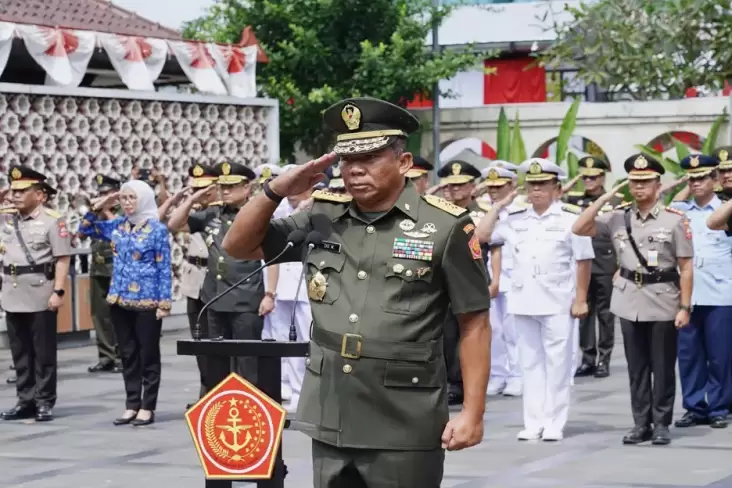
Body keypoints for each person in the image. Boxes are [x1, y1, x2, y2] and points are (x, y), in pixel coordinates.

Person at [221, 97, 491, 487]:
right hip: (332, 404)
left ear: (403, 162)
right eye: (348, 160)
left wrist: (473, 413)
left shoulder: (445, 226)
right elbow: (238, 246)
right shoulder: (323, 215)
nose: (355, 170)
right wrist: (275, 190)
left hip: (403, 413)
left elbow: (475, 321)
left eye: (371, 158)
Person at [572, 153, 693, 446]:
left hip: (664, 298)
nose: (639, 188)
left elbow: (686, 266)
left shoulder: (674, 220)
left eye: (645, 182)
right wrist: (604, 199)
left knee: (662, 367)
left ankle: (662, 422)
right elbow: (579, 228)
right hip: (628, 299)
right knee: (637, 368)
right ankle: (641, 423)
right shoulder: (617, 217)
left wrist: (685, 306)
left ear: (657, 184)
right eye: (634, 182)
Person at [477, 158, 593, 441]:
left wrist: (581, 299)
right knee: (529, 364)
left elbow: (583, 261)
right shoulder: (515, 219)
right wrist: (498, 206)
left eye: (543, 184)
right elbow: (482, 236)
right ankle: (533, 422)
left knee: (558, 363)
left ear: (557, 188)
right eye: (532, 185)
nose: (536, 190)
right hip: (523, 300)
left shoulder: (570, 218)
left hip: (557, 300)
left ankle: (554, 421)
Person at [79, 180, 172, 427]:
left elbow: (164, 268)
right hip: (119, 299)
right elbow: (85, 229)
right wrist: (100, 206)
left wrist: (164, 302)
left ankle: (147, 406)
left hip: (148, 300)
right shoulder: (117, 226)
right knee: (128, 353)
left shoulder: (156, 229)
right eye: (124, 198)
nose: (127, 203)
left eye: (132, 198)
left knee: (148, 354)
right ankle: (132, 404)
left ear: (143, 199)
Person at [167, 162, 268, 388]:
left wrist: (270, 293)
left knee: (247, 360)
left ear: (247, 187)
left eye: (232, 186)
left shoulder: (258, 212)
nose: (226, 191)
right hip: (215, 297)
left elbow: (271, 256)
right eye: (222, 186)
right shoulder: (212, 213)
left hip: (245, 297)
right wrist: (192, 199)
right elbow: (174, 224)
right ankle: (219, 407)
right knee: (217, 360)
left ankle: (247, 407)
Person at [0, 166, 71, 422]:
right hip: (12, 291)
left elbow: (62, 258)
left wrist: (59, 291)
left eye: (23, 191)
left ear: (40, 195)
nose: (16, 196)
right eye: (13, 191)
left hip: (41, 291)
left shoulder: (53, 220)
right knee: (20, 353)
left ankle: (44, 401)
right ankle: (25, 400)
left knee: (43, 353)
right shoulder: (7, 218)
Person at [667, 154, 732, 429]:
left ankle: (719, 406)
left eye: (702, 177)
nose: (696, 183)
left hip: (721, 293)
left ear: (715, 180)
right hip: (688, 296)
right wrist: (681, 184)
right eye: (692, 178)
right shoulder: (681, 212)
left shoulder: (725, 209)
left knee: (720, 355)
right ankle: (695, 406)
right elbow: (666, 208)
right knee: (689, 355)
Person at [436, 152, 490, 405]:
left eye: (460, 184)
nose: (455, 189)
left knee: (471, 332)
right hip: (443, 279)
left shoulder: (482, 213)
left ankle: (465, 382)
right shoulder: (439, 213)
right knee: (446, 334)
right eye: (450, 184)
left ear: (472, 186)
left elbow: (486, 241)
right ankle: (450, 382)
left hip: (472, 279)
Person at [563, 157, 625, 378]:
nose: (589, 180)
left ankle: (604, 358)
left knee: (606, 314)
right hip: (580, 265)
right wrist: (575, 180)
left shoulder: (615, 201)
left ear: (603, 177)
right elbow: (556, 194)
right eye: (585, 176)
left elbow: (621, 235)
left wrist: (620, 264)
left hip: (605, 263)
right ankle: (587, 358)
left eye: (594, 176)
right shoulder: (573, 199)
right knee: (583, 313)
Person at [263, 163, 317, 412]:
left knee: (305, 342)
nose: (292, 190)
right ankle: (289, 389)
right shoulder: (280, 209)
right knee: (283, 341)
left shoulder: (319, 207)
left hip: (308, 288)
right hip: (282, 286)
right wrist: (270, 292)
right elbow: (271, 256)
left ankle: (303, 391)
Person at [168, 164, 219, 406]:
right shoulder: (195, 212)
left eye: (205, 189)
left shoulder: (222, 212)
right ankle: (205, 390)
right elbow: (173, 224)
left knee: (216, 341)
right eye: (197, 189)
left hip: (217, 279)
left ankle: (217, 391)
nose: (202, 194)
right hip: (193, 279)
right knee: (199, 340)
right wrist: (188, 200)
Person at [479, 165, 523, 397]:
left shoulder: (522, 208)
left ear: (512, 185)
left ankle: (517, 375)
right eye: (490, 186)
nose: (494, 191)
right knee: (494, 329)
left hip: (516, 275)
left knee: (513, 329)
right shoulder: (485, 209)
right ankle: (498, 374)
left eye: (500, 186)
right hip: (491, 273)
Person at [87, 174, 123, 374]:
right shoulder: (96, 213)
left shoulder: (123, 212)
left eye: (107, 193)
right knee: (99, 315)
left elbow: (121, 230)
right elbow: (81, 231)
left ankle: (121, 356)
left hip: (116, 269)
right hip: (98, 269)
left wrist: (107, 210)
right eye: (100, 193)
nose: (102, 196)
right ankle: (106, 356)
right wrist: (94, 212)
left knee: (117, 315)